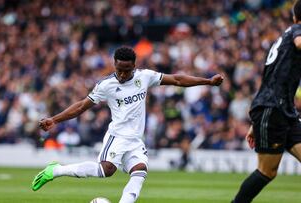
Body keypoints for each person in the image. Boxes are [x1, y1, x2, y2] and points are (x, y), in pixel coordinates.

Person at [31, 46, 223, 203]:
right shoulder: (106, 85)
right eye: (119, 70)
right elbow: (82, 105)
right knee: (106, 171)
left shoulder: (144, 76)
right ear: (114, 64)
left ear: (134, 66)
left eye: (127, 70)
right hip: (117, 136)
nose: (122, 74)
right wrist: (54, 120)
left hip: (135, 139)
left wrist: (207, 81)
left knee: (140, 170)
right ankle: (55, 170)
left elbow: (177, 79)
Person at [232, 1, 301, 202]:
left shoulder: (285, 37)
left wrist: (257, 122)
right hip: (274, 109)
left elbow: (271, 79)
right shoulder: (297, 31)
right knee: (267, 171)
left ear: (294, 15)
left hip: (283, 110)